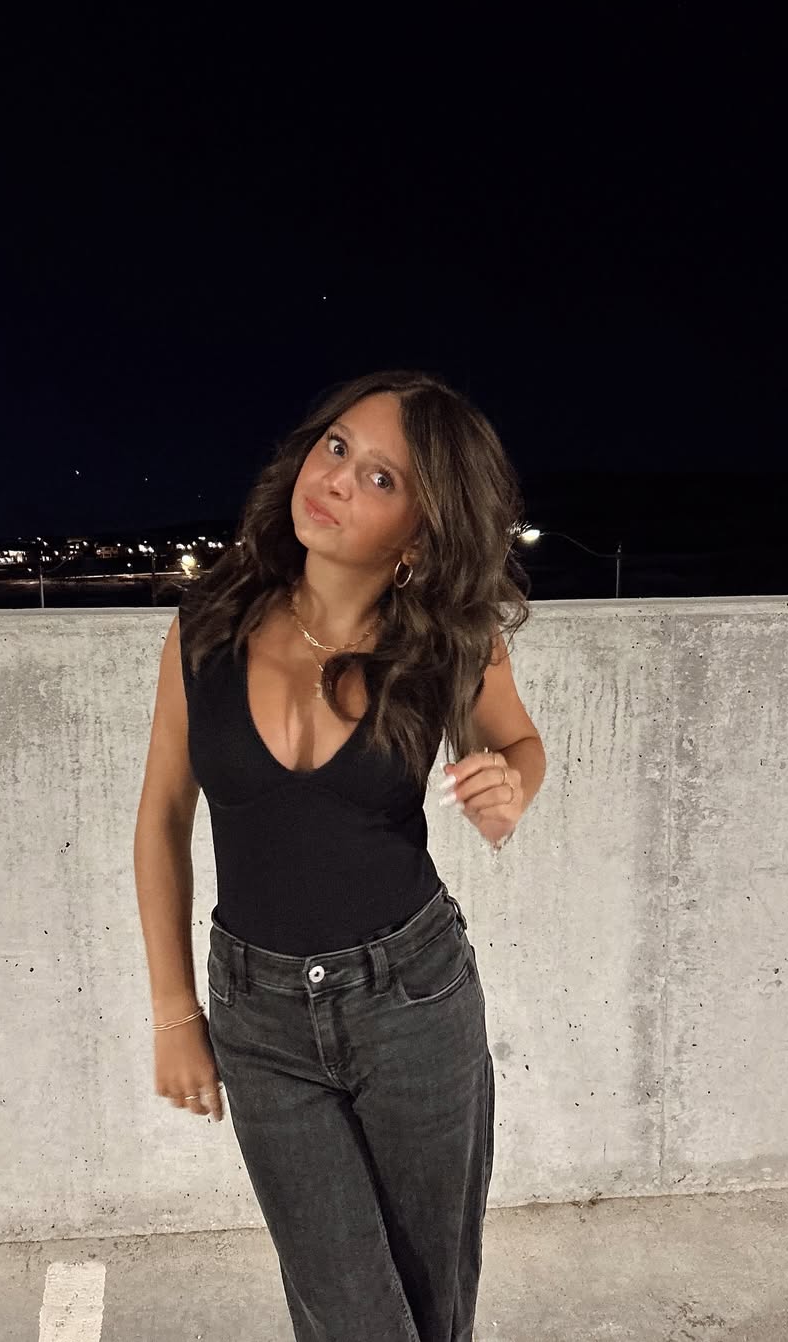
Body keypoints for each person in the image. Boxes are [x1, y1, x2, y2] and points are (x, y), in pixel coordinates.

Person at [133, 368, 546, 1341]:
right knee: (348, 1313)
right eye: (336, 448)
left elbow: (518, 743)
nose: (336, 480)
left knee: (435, 1305)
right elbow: (160, 817)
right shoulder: (207, 628)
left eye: (381, 478)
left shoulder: (449, 644)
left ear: (420, 534)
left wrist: (514, 782)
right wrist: (174, 1013)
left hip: (414, 1001)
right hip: (259, 1019)